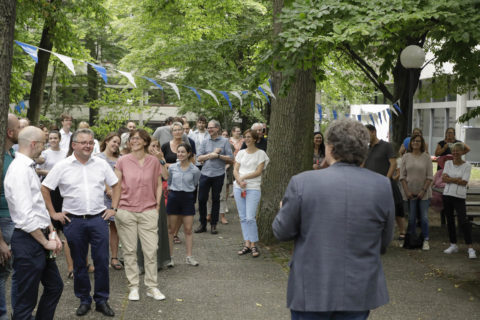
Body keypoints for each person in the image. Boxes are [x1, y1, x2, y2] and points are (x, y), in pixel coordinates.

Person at [272, 119, 394, 320]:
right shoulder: (381, 185)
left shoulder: (302, 182)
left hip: (311, 289)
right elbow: (384, 241)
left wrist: (282, 210)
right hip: (358, 288)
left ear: (330, 148)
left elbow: (281, 231)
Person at [41, 128, 118, 317]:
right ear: (74, 144)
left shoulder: (101, 164)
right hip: (74, 221)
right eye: (84, 142)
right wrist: (54, 213)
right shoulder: (63, 165)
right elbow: (44, 188)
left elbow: (116, 185)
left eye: (91, 142)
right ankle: (84, 300)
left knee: (101, 261)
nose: (88, 146)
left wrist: (113, 208)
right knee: (79, 263)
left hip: (99, 219)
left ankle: (101, 300)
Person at [4, 126, 63, 320]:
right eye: (43, 143)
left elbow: (37, 208)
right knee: (25, 302)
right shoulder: (19, 170)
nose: (43, 148)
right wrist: (45, 242)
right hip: (28, 240)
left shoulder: (28, 167)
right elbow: (25, 215)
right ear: (33, 144)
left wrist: (52, 232)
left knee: (55, 286)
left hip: (41, 235)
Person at [111, 129, 168, 302]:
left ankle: (152, 287)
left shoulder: (153, 161)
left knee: (151, 251)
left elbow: (159, 183)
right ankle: (133, 286)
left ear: (145, 142)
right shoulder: (122, 161)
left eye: (137, 138)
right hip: (126, 211)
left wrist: (157, 205)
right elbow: (117, 185)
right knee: (129, 251)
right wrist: (115, 209)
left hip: (148, 211)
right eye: (132, 139)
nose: (134, 141)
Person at [364, 124, 406, 241]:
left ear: (373, 132)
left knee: (397, 207)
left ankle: (403, 232)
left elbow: (393, 163)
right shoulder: (366, 149)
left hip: (387, 183)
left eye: (366, 133)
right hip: (371, 185)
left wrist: (386, 179)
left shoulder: (386, 146)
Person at [233, 129, 269, 258]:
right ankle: (247, 244)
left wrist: (244, 178)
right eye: (245, 137)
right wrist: (239, 180)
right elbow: (235, 169)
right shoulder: (241, 153)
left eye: (249, 137)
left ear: (254, 139)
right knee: (243, 217)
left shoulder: (261, 154)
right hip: (239, 187)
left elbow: (258, 171)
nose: (246, 139)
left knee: (250, 217)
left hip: (253, 188)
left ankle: (254, 244)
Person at [195, 120, 234, 234]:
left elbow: (231, 159)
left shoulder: (225, 141)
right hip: (205, 174)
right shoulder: (205, 141)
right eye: (208, 128)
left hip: (218, 174)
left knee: (216, 200)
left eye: (211, 127)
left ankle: (213, 224)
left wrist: (218, 155)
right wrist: (210, 155)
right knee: (202, 199)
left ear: (217, 128)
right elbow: (199, 158)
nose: (209, 129)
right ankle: (202, 224)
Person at [167, 143, 201, 266]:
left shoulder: (195, 170)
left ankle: (189, 257)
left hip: (187, 198)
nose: (180, 154)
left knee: (188, 229)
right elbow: (169, 181)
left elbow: (195, 183)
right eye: (178, 152)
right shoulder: (172, 168)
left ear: (188, 154)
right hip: (174, 197)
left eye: (183, 152)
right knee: (171, 230)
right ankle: (170, 257)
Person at [0, 114, 20, 320]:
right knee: (2, 272)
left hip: (14, 220)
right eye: (18, 128)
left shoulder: (12, 155)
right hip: (3, 222)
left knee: (14, 271)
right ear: (10, 132)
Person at [442, 143, 476, 259]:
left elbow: (464, 182)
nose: (455, 153)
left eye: (458, 151)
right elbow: (443, 178)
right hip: (447, 194)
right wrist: (456, 179)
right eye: (453, 151)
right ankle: (453, 244)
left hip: (459, 196)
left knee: (463, 221)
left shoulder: (467, 165)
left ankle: (470, 248)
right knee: (450, 220)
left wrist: (450, 179)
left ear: (462, 152)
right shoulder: (448, 163)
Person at [400, 134, 433, 251]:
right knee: (411, 218)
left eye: (418, 141)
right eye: (414, 141)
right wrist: (407, 191)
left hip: (424, 192)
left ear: (422, 143)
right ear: (410, 143)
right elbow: (402, 176)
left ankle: (425, 239)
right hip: (410, 192)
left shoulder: (426, 158)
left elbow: (430, 177)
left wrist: (423, 191)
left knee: (424, 217)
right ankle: (411, 240)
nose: (416, 143)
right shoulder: (406, 157)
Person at [96, 133, 123, 270]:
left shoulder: (121, 159)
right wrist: (108, 189)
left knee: (114, 228)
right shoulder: (97, 157)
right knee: (100, 230)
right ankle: (101, 259)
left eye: (118, 143)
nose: (116, 145)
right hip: (100, 196)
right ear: (106, 141)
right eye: (114, 141)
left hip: (116, 197)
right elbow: (98, 175)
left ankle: (114, 257)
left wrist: (116, 191)